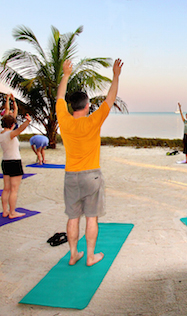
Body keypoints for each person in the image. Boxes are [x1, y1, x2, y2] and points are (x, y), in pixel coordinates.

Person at [56, 58, 123, 266]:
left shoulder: (64, 120)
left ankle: (74, 254)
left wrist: (66, 75)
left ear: (71, 107)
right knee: (92, 218)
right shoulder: (93, 120)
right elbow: (110, 99)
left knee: (73, 217)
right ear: (86, 106)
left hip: (71, 176)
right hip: (91, 176)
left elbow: (59, 95)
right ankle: (91, 256)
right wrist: (116, 76)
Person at [0, 111, 32, 218]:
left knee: (6, 188)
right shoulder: (9, 134)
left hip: (5, 162)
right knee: (14, 189)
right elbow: (20, 129)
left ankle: (5, 211)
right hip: (14, 162)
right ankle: (12, 212)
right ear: (12, 125)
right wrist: (28, 121)